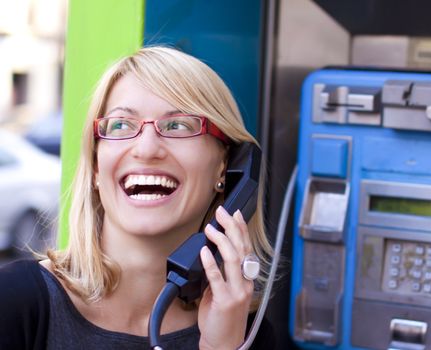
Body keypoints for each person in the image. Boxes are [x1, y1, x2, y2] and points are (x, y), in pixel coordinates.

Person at [0, 46, 274, 349]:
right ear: (95, 165)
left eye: (178, 125)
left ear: (227, 166)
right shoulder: (14, 303)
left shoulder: (247, 334)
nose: (146, 149)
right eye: (121, 126)